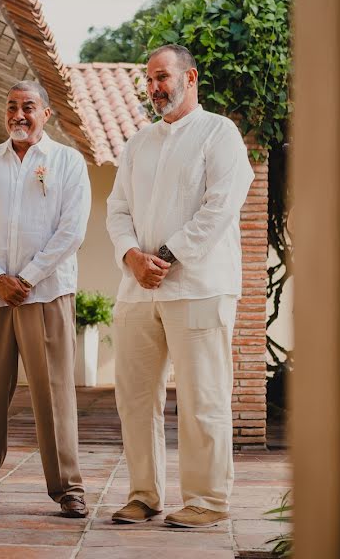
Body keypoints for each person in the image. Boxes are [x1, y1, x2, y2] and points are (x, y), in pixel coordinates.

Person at [106, 44, 254, 528]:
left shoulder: (220, 133)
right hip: (137, 290)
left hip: (198, 287)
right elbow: (117, 209)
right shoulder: (138, 143)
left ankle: (208, 501)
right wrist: (132, 257)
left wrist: (163, 258)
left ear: (190, 79)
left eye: (163, 77)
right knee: (134, 399)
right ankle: (144, 495)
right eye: (149, 80)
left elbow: (219, 207)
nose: (155, 87)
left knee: (202, 398)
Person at [0, 81, 92, 519]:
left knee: (53, 392)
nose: (18, 115)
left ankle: (68, 488)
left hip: (45, 294)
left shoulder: (67, 162)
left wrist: (26, 278)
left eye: (28, 107)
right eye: (11, 106)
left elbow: (71, 230)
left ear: (46, 114)